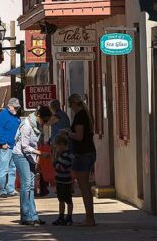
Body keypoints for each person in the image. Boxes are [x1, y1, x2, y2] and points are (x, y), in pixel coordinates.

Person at [13, 105, 53, 226]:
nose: (45, 123)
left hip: (30, 156)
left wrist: (36, 159)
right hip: (20, 155)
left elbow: (34, 145)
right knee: (26, 186)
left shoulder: (36, 125)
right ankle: (25, 216)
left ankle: (33, 215)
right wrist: (40, 154)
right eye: (45, 120)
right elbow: (25, 146)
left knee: (31, 186)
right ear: (39, 116)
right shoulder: (27, 126)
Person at [66, 93, 97, 226]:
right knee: (86, 187)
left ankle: (90, 218)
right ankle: (90, 217)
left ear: (74, 104)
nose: (70, 108)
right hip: (89, 151)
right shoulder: (87, 114)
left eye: (70, 105)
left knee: (84, 188)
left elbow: (79, 136)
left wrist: (68, 133)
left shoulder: (79, 116)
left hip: (83, 153)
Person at [0, 98, 21, 198]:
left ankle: (10, 189)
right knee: (3, 169)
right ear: (10, 106)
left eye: (18, 108)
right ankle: (2, 190)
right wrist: (2, 142)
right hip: (5, 147)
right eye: (15, 107)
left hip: (14, 146)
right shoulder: (2, 116)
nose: (16, 109)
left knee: (12, 169)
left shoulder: (15, 116)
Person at [52, 131, 75, 226]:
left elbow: (62, 167)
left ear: (62, 145)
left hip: (66, 181)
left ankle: (69, 217)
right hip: (60, 180)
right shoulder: (62, 155)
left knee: (68, 199)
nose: (57, 149)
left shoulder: (67, 155)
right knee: (61, 199)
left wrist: (55, 162)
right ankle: (61, 216)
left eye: (57, 146)